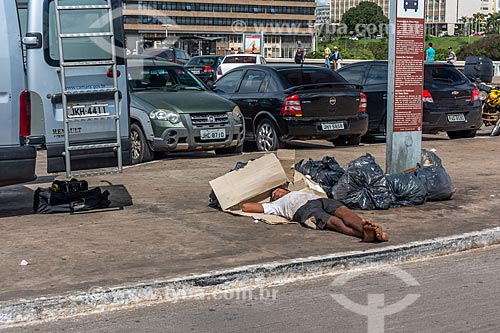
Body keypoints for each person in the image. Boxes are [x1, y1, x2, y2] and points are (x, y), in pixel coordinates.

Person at [242, 188, 388, 242]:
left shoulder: (299, 191)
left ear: (285, 189)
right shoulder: (275, 206)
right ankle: (365, 234)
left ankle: (367, 229)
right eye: (274, 195)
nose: (276, 194)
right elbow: (246, 207)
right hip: (304, 211)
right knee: (334, 222)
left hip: (319, 200)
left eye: (277, 191)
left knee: (345, 213)